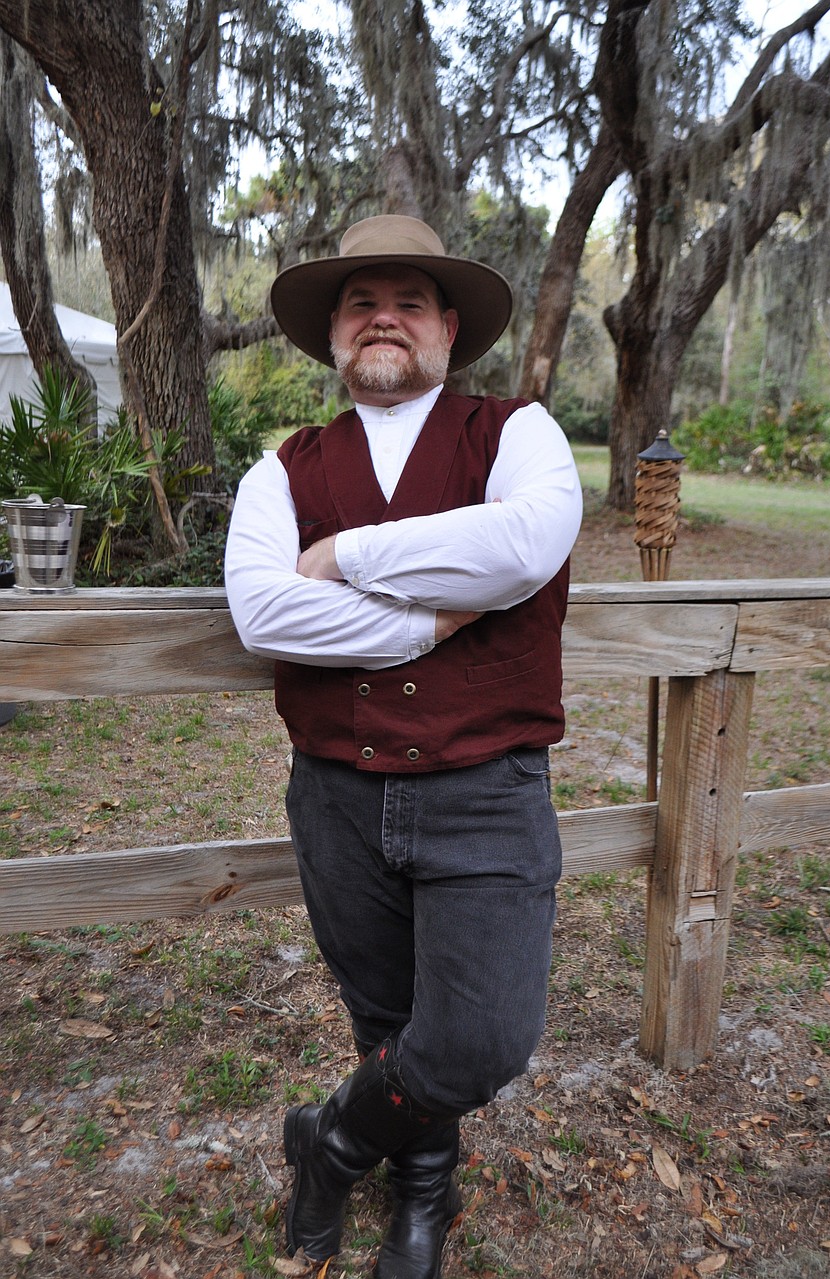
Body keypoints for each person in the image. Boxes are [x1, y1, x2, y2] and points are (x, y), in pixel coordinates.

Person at [224, 214, 583, 1279]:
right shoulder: (279, 471)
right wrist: (430, 619)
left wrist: (343, 556)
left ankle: (330, 1143)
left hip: (487, 786)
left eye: (409, 298)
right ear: (332, 332)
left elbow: (522, 542)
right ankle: (422, 1193)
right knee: (385, 1017)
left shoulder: (516, 435)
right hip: (336, 793)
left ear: (448, 327)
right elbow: (262, 614)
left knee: (481, 1039)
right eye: (360, 298)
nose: (384, 313)